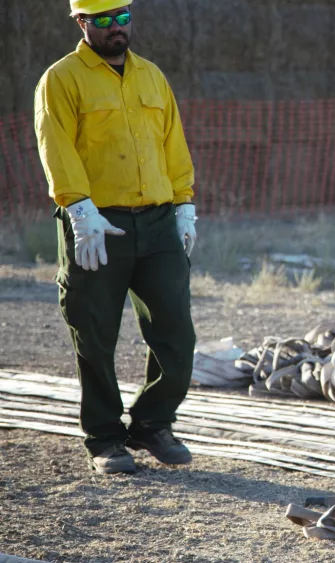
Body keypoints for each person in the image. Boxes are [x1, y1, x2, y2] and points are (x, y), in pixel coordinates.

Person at [34, 0, 198, 475]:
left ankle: (152, 422)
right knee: (95, 332)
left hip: (158, 221)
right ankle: (105, 438)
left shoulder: (152, 76)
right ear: (82, 23)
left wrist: (184, 203)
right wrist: (78, 208)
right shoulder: (62, 78)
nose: (115, 28)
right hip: (96, 223)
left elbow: (173, 142)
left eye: (122, 17)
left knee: (176, 332)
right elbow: (55, 145)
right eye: (103, 20)